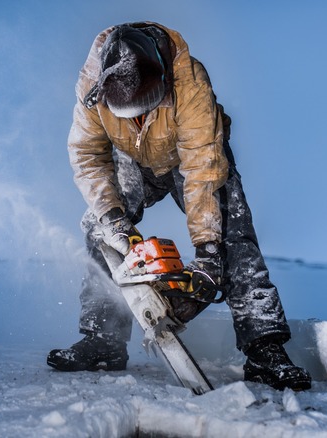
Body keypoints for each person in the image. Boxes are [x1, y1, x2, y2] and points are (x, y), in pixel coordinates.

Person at [47, 22, 311, 391]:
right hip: (133, 159)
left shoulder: (189, 83)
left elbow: (202, 167)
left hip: (193, 157)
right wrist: (114, 217)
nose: (138, 119)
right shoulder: (91, 88)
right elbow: (88, 155)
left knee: (232, 239)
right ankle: (102, 341)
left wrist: (206, 255)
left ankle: (265, 349)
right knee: (98, 227)